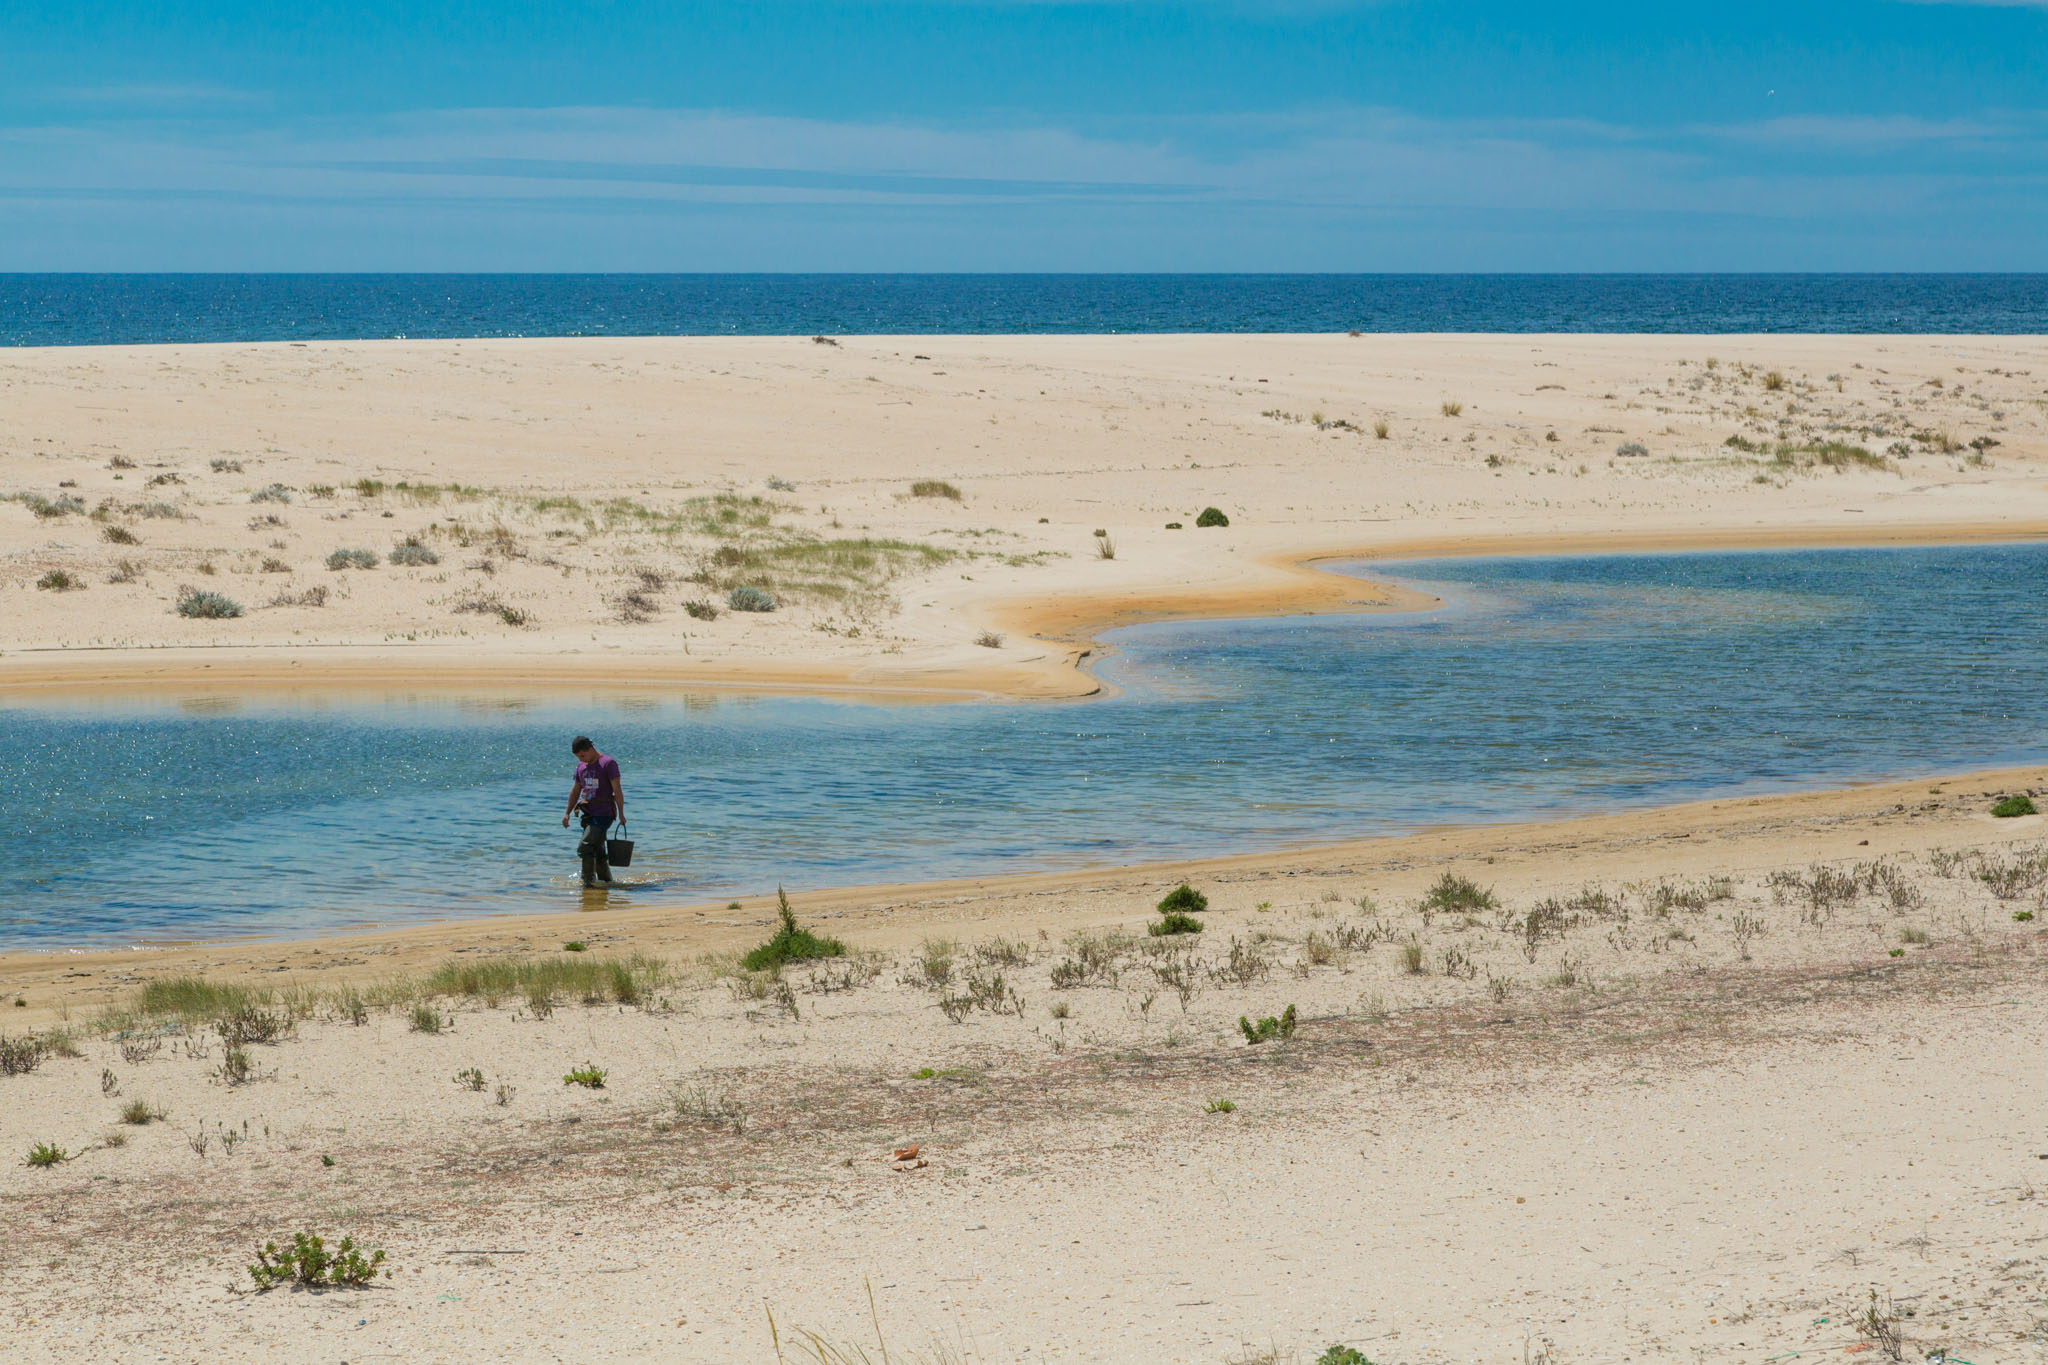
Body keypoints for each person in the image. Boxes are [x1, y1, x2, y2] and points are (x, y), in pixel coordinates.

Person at [561, 736, 624, 887]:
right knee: (598, 852)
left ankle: (587, 884)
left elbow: (617, 789)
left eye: (583, 755)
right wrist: (567, 813)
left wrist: (621, 813)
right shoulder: (581, 767)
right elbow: (576, 789)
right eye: (578, 757)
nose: (581, 759)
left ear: (590, 749)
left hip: (604, 814)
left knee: (585, 847)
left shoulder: (608, 763)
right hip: (587, 814)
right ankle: (607, 883)